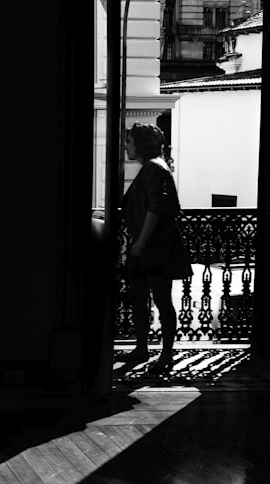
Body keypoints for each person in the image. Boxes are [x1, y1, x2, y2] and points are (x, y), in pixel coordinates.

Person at [117, 122, 192, 374]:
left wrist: (139, 242)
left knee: (159, 300)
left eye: (129, 142)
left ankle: (164, 353)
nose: (126, 146)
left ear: (140, 144)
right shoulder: (155, 167)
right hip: (149, 248)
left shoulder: (152, 168)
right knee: (143, 298)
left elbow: (155, 208)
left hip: (154, 249)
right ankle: (145, 348)